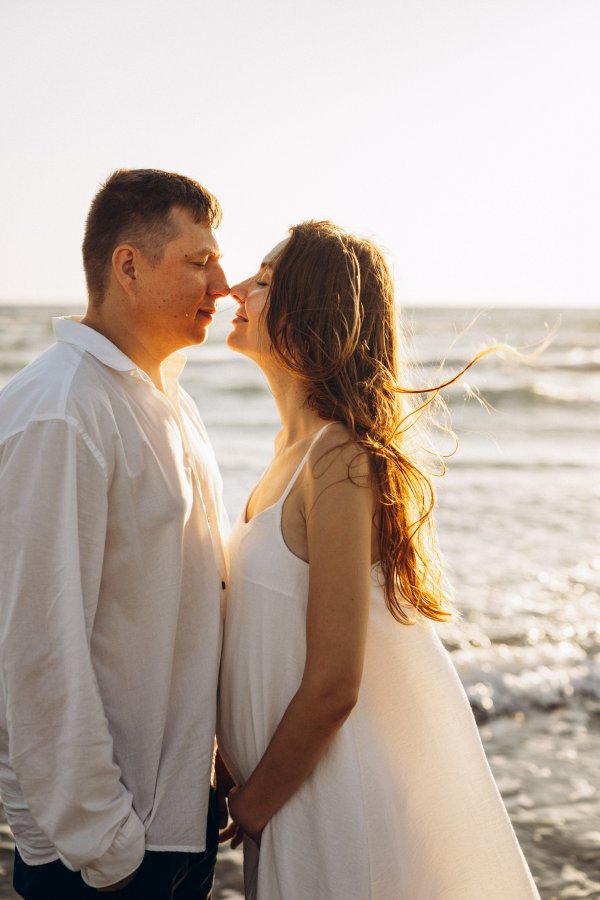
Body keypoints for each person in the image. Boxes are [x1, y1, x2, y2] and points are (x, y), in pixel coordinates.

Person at [217, 221, 541, 899]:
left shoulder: (338, 461)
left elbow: (336, 682)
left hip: (328, 802)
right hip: (289, 800)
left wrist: (245, 809)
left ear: (313, 312)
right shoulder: (286, 457)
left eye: (267, 281)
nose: (235, 288)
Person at [0, 168, 230, 898]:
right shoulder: (61, 413)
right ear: (128, 266)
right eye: (199, 261)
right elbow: (36, 646)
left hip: (175, 823)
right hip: (101, 857)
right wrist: (108, 845)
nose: (221, 285)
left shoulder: (166, 400)